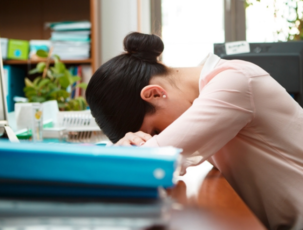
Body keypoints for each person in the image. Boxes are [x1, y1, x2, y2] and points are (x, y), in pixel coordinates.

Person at [86, 32, 303, 230]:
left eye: (156, 130)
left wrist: (125, 151)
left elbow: (156, 159)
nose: (159, 137)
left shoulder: (233, 83)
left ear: (154, 94)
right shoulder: (210, 85)